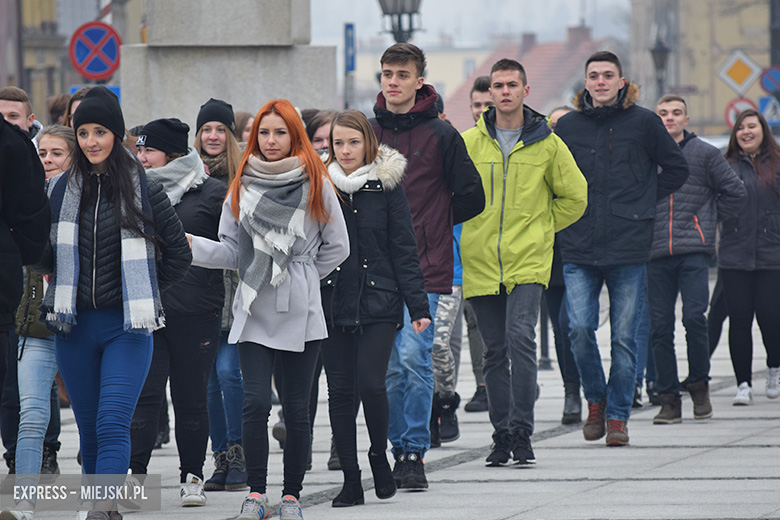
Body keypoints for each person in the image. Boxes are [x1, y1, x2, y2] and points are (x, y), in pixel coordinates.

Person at [33, 87, 191, 518]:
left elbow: (180, 255)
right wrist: (28, 243)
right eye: (83, 133)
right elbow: (47, 259)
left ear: (116, 134)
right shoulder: (59, 189)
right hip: (74, 327)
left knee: (112, 422)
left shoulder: (145, 187)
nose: (90, 141)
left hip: (128, 327)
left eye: (100, 131)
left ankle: (102, 507)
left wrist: (142, 292)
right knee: (89, 430)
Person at [188, 98, 349, 520]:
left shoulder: (316, 180)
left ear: (294, 135)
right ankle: (257, 494)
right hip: (255, 305)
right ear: (253, 137)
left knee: (296, 408)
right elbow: (231, 251)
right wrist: (189, 246)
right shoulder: (242, 183)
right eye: (264, 132)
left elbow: (338, 247)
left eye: (280, 132)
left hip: (300, 308)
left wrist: (300, 275)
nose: (271, 140)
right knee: (255, 403)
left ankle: (292, 495)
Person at [555, 51, 689, 446]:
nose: (600, 82)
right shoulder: (569, 127)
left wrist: (644, 201)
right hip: (579, 245)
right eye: (593, 75)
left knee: (625, 339)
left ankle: (617, 417)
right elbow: (553, 178)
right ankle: (595, 399)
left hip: (629, 245)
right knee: (578, 329)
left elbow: (677, 168)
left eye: (607, 75)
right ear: (585, 83)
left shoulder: (645, 122)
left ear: (621, 82)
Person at [461, 59, 587, 466]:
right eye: (497, 85)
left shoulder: (547, 143)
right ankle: (501, 435)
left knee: (522, 339)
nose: (504, 92)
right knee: (493, 351)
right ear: (490, 93)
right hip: (481, 261)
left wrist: (543, 228)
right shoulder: (468, 143)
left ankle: (523, 431)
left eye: (512, 84)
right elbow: (449, 195)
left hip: (529, 260)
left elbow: (576, 196)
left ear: (525, 91)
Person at [371, 42, 484, 490]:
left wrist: (433, 225)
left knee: (415, 358)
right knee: (389, 367)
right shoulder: (367, 131)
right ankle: (397, 444)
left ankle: (414, 451)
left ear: (420, 81)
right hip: (375, 267)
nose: (393, 82)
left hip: (426, 265)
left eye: (402, 74)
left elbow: (472, 195)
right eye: (386, 74)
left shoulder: (442, 135)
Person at [320, 109, 430, 507]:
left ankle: (378, 456)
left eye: (353, 142)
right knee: (340, 392)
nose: (345, 150)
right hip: (331, 300)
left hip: (380, 299)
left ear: (368, 142)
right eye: (338, 143)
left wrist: (417, 305)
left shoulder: (386, 185)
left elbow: (403, 247)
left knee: (370, 382)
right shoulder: (320, 185)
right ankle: (351, 478)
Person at [129, 118, 228, 506]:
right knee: (144, 397)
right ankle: (136, 478)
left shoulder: (211, 192)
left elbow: (230, 250)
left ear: (170, 154)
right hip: (146, 311)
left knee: (190, 399)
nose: (141, 158)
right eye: (138, 150)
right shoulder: (132, 191)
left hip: (196, 311)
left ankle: (192, 477)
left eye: (147, 150)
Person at [649, 95, 746, 423]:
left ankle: (699, 386)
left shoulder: (704, 153)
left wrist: (707, 219)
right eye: (662, 113)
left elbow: (735, 192)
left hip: (694, 250)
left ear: (686, 119)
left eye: (676, 113)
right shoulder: (646, 153)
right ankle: (668, 398)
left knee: (694, 318)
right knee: (659, 327)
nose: (669, 118)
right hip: (654, 252)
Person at [192, 98, 248, 492]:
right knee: (209, 381)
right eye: (206, 129)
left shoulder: (244, 176)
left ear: (230, 134)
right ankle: (221, 460)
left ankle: (240, 450)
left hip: (238, 292)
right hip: (198, 296)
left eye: (220, 129)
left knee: (230, 372)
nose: (213, 136)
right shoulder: (185, 177)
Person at [720, 109, 780, 406]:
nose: (746, 132)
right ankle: (743, 383)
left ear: (763, 130)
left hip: (772, 254)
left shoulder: (778, 164)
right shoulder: (726, 165)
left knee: (771, 318)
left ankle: (774, 368)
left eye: (752, 126)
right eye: (741, 127)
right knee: (740, 321)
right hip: (734, 254)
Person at [545, 105, 584, 424]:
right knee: (560, 330)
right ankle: (572, 390)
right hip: (550, 256)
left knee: (575, 325)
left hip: (583, 252)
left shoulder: (583, 156)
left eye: (563, 124)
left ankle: (591, 388)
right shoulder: (543, 155)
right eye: (552, 124)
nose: (557, 129)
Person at [462, 76, 494, 414]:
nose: (482, 111)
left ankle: (508, 379)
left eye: (487, 104)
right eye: (477, 105)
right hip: (467, 247)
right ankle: (483, 384)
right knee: (473, 323)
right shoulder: (462, 143)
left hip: (509, 250)